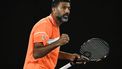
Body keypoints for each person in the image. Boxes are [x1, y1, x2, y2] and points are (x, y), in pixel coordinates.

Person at [23, 0, 87, 69]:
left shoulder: (55, 27)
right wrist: (58, 42)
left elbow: (51, 52)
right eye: (63, 7)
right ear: (54, 9)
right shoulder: (44, 24)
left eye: (69, 8)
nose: (67, 11)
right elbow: (36, 53)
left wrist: (69, 56)